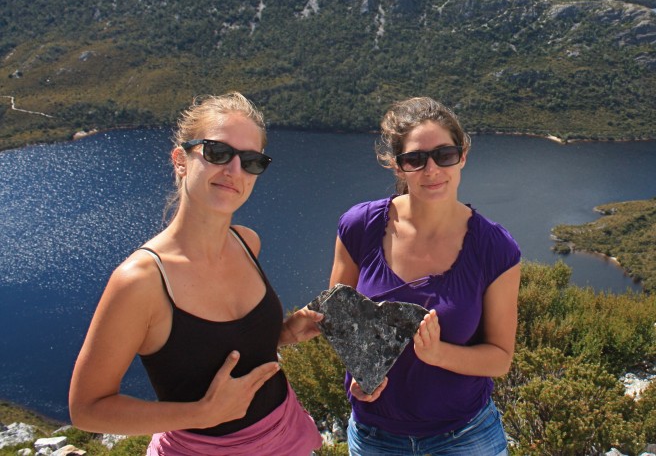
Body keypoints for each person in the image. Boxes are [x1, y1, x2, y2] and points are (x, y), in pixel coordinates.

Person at [69, 92, 324, 455]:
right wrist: (202, 413)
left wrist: (280, 334)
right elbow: (87, 409)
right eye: (218, 153)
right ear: (181, 161)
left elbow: (214, 350)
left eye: (251, 161)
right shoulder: (142, 281)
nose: (235, 171)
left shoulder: (246, 243)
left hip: (289, 437)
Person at [330, 96, 521, 456]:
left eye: (444, 155)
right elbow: (342, 321)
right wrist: (359, 375)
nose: (431, 170)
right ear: (398, 167)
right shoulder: (359, 227)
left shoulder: (494, 248)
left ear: (462, 155)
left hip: (465, 437)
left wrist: (437, 354)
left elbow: (500, 357)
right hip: (375, 436)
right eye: (415, 159)